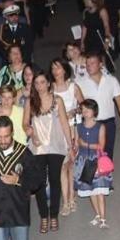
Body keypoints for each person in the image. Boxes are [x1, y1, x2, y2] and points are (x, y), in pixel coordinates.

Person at [23, 70, 75, 234]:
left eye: (42, 82)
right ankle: (43, 215)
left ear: (48, 83)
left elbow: (65, 124)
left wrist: (70, 146)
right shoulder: (30, 102)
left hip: (55, 145)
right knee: (39, 182)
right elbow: (25, 123)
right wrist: (31, 133)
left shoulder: (57, 100)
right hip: (38, 147)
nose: (39, 86)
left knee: (55, 180)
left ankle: (54, 215)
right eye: (36, 83)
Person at [75, 51, 120, 157]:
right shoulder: (80, 83)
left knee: (107, 156)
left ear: (100, 64)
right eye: (87, 64)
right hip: (90, 124)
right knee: (91, 156)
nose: (89, 66)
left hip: (108, 123)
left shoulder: (111, 80)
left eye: (92, 63)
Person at [49, 58, 85, 215]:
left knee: (71, 164)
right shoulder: (50, 88)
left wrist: (73, 111)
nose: (55, 71)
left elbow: (84, 106)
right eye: (53, 68)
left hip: (72, 129)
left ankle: (71, 198)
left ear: (64, 69)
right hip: (57, 130)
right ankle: (65, 201)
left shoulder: (73, 87)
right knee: (62, 166)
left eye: (58, 68)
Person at [74, 99, 114, 229]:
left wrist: (85, 144)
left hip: (96, 160)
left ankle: (103, 218)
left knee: (99, 190)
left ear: (94, 111)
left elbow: (101, 146)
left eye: (88, 109)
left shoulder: (100, 127)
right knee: (90, 191)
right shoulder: (78, 127)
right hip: (83, 161)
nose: (85, 112)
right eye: (83, 110)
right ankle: (97, 215)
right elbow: (76, 144)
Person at [81, 0, 115, 71]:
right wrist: (82, 41)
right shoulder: (86, 12)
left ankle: (104, 74)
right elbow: (84, 27)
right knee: (91, 59)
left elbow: (106, 26)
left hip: (100, 38)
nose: (85, 2)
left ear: (93, 0)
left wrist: (107, 40)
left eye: (87, 1)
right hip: (90, 39)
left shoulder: (102, 11)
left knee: (102, 59)